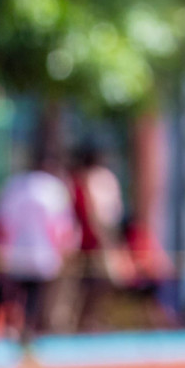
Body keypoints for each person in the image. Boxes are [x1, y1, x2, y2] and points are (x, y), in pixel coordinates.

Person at [0, 152, 78, 354]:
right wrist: (66, 250)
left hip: (16, 252)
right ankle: (28, 332)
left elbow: (2, 223)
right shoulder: (54, 189)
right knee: (36, 298)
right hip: (44, 254)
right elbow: (62, 227)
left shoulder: (15, 186)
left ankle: (15, 329)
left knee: (17, 295)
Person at [70, 141, 127, 330]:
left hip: (97, 240)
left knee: (102, 283)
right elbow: (93, 213)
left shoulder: (100, 179)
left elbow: (109, 214)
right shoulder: (82, 180)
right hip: (86, 242)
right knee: (86, 285)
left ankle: (91, 320)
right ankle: (84, 322)